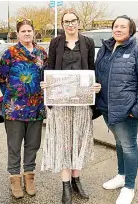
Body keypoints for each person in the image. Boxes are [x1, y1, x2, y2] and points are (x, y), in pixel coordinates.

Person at [95, 15, 138, 204]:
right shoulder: (106, 49)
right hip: (107, 107)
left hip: (127, 110)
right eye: (116, 26)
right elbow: (99, 74)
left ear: (131, 30)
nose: (118, 29)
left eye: (123, 26)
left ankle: (129, 187)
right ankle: (121, 176)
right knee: (120, 143)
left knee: (129, 146)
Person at [40, 10, 101, 204]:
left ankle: (76, 179)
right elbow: (50, 69)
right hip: (60, 103)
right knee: (63, 143)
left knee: (79, 141)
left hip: (81, 102)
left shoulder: (88, 43)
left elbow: (91, 69)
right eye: (66, 22)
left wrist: (95, 85)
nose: (70, 24)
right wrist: (46, 84)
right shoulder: (56, 43)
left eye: (73, 21)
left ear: (78, 22)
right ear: (62, 24)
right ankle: (66, 185)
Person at [0, 19, 48, 199]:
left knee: (33, 145)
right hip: (14, 109)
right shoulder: (9, 53)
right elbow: (2, 79)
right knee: (14, 146)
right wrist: (13, 97)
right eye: (23, 31)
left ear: (34, 33)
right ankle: (14, 179)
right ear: (17, 34)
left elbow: (46, 77)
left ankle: (29, 177)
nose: (27, 34)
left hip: (36, 108)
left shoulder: (42, 53)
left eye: (29, 31)